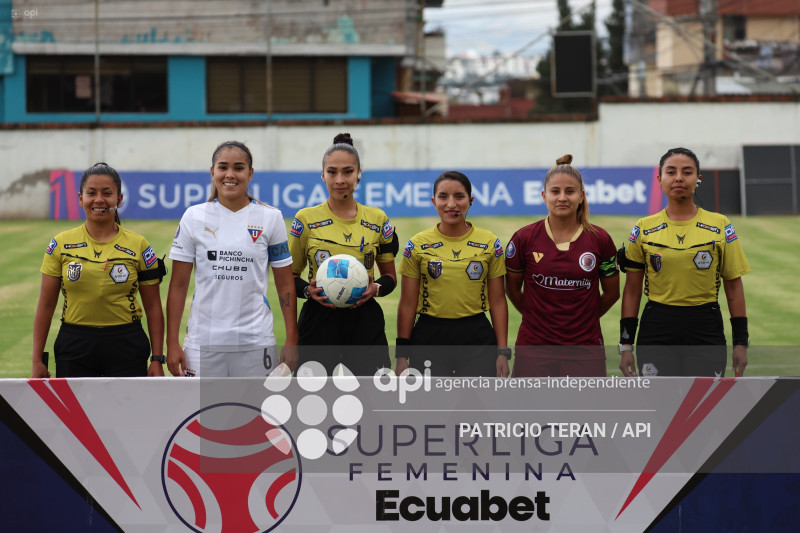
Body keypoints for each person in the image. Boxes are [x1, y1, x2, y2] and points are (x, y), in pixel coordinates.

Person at [166, 141, 298, 377]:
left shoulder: (271, 217)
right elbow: (178, 285)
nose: (230, 175)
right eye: (223, 167)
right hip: (202, 344)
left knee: (255, 413)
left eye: (238, 168)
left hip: (256, 343)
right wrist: (172, 342)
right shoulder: (193, 217)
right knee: (205, 414)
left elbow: (285, 284)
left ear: (250, 173)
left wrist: (291, 338)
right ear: (212, 172)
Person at [618, 147, 750, 377]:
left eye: (687, 172)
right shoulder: (643, 227)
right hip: (657, 326)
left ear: (698, 179)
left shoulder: (720, 224)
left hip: (705, 326)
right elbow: (631, 290)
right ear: (660, 179)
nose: (679, 178)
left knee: (703, 406)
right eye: (671, 172)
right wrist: (626, 345)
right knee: (658, 405)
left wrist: (741, 341)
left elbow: (733, 286)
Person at [32, 163, 166, 378]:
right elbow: (46, 304)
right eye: (91, 193)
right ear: (80, 198)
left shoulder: (138, 245)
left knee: (127, 412)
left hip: (127, 344)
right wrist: (37, 359)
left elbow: (153, 306)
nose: (99, 200)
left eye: (107, 193)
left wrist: (157, 359)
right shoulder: (60, 244)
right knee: (75, 413)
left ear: (119, 199)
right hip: (75, 345)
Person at [289, 133, 398, 376]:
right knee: (312, 400)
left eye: (348, 172)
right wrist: (308, 291)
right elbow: (290, 276)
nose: (340, 179)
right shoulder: (305, 219)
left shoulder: (378, 219)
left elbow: (390, 277)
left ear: (359, 173)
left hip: (364, 320)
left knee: (372, 398)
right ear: (322, 174)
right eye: (332, 172)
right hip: (319, 319)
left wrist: (375, 289)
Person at [505, 155, 620, 377]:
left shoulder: (600, 239)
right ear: (543, 196)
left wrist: (583, 319)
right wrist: (534, 316)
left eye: (570, 191)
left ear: (581, 196)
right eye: (555, 191)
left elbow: (612, 293)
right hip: (534, 347)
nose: (562, 198)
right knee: (532, 412)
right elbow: (512, 289)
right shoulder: (523, 238)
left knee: (584, 412)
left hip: (585, 348)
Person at [396, 171, 510, 377]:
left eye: (459, 196)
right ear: (433, 201)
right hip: (429, 336)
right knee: (433, 407)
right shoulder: (417, 244)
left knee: (476, 406)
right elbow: (407, 302)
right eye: (443, 197)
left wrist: (502, 351)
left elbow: (498, 301)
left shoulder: (489, 242)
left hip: (477, 336)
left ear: (471, 200)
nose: (451, 204)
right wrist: (401, 354)